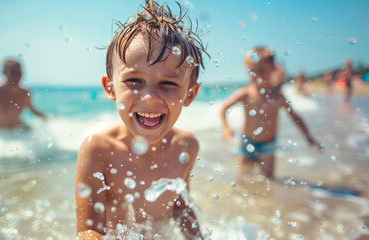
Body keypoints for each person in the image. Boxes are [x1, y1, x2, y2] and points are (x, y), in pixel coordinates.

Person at [75, 1, 208, 239]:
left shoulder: (186, 146)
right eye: (134, 81)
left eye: (168, 83)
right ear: (110, 88)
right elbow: (88, 229)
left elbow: (180, 205)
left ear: (190, 94)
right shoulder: (98, 150)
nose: (150, 98)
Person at [220, 47, 322, 179]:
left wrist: (308, 136)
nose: (255, 75)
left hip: (268, 144)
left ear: (273, 68)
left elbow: (295, 117)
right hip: (246, 143)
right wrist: (226, 128)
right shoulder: (246, 93)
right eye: (251, 71)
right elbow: (223, 108)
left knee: (268, 180)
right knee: (242, 178)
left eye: (261, 70)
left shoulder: (277, 97)